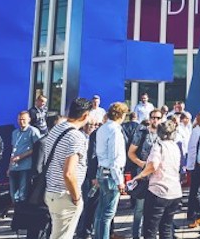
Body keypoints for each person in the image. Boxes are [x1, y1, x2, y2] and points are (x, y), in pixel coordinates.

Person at [43, 98, 91, 239]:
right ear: (85, 115)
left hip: (51, 190)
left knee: (57, 234)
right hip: (65, 194)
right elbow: (69, 173)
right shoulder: (76, 136)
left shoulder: (57, 128)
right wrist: (76, 197)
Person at [129, 119, 182, 239]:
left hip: (158, 191)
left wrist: (139, 176)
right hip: (175, 191)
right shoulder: (175, 146)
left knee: (150, 230)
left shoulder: (158, 146)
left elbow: (153, 165)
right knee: (166, 228)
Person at [94, 102, 129, 239]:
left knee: (101, 211)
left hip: (102, 170)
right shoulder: (115, 130)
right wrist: (120, 181)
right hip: (111, 174)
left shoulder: (102, 128)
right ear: (121, 114)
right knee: (108, 214)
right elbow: (114, 157)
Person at [128, 110, 162, 239]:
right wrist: (141, 163)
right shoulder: (142, 132)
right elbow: (131, 152)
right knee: (139, 209)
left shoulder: (163, 133)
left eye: (158, 118)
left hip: (158, 176)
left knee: (156, 209)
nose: (155, 120)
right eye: (153, 117)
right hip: (142, 176)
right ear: (149, 118)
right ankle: (136, 235)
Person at [9, 111, 42, 203]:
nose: (21, 121)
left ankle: (21, 213)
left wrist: (21, 157)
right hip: (14, 167)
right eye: (19, 119)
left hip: (26, 166)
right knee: (13, 193)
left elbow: (37, 148)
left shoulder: (33, 131)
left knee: (22, 193)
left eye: (23, 119)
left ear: (29, 120)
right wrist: (9, 167)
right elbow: (13, 149)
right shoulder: (15, 132)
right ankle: (16, 210)